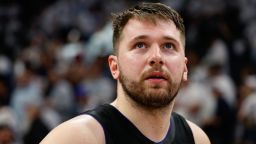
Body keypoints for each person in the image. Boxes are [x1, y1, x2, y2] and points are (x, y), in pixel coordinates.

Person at [40, 2, 211, 144]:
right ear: (115, 67)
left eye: (168, 46)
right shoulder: (77, 137)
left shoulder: (197, 139)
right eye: (140, 45)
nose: (156, 57)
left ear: (185, 68)